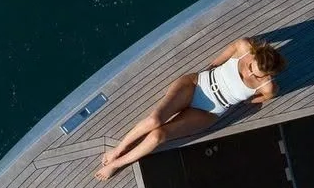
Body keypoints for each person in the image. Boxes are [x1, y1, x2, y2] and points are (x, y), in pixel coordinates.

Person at [94, 37, 286, 180]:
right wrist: (214, 64)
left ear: (268, 74)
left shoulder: (267, 86)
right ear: (255, 56)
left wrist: (247, 101)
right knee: (154, 120)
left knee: (158, 136)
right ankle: (118, 149)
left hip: (207, 113)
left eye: (258, 74)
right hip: (196, 84)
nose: (250, 73)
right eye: (252, 67)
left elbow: (266, 97)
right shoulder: (245, 48)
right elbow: (232, 47)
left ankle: (117, 164)